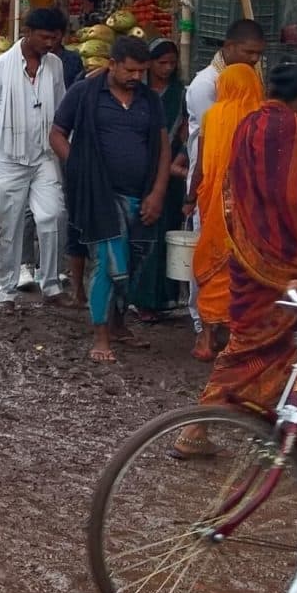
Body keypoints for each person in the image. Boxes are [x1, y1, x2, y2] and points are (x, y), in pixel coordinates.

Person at [176, 61, 297, 455]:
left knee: (248, 346)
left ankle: (198, 429)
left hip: (248, 253)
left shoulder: (247, 122)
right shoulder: (294, 126)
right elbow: (292, 198)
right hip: (289, 259)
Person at [54, 35, 173, 364]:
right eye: (130, 71)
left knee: (131, 264)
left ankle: (119, 324)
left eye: (142, 72)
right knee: (108, 264)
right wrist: (78, 168)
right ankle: (101, 335)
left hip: (141, 195)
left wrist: (158, 192)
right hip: (99, 197)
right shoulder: (85, 92)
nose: (137, 77)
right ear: (112, 64)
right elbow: (56, 133)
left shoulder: (149, 100)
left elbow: (163, 149)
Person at [0, 7, 70, 307]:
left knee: (52, 215)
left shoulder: (55, 65)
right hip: (6, 158)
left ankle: (51, 285)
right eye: (45, 37)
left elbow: (62, 108)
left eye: (55, 38)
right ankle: (6, 293)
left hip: (44, 156)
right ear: (28, 32)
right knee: (9, 227)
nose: (50, 43)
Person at [188, 62, 264, 360]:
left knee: (212, 267)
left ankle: (206, 340)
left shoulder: (211, 116)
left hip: (214, 205)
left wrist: (192, 195)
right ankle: (235, 342)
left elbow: (201, 163)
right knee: (242, 272)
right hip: (247, 208)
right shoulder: (259, 119)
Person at [128, 38, 191, 317]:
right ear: (149, 64)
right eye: (161, 63)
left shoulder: (181, 94)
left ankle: (162, 299)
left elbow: (187, 135)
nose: (166, 68)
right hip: (140, 168)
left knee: (165, 231)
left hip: (171, 172)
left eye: (171, 64)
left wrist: (176, 162)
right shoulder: (137, 92)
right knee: (142, 231)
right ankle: (139, 298)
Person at [185, 19, 267, 164]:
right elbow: (212, 134)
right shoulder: (206, 84)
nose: (255, 58)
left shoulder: (252, 78)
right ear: (229, 46)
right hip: (211, 169)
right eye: (249, 52)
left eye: (259, 53)